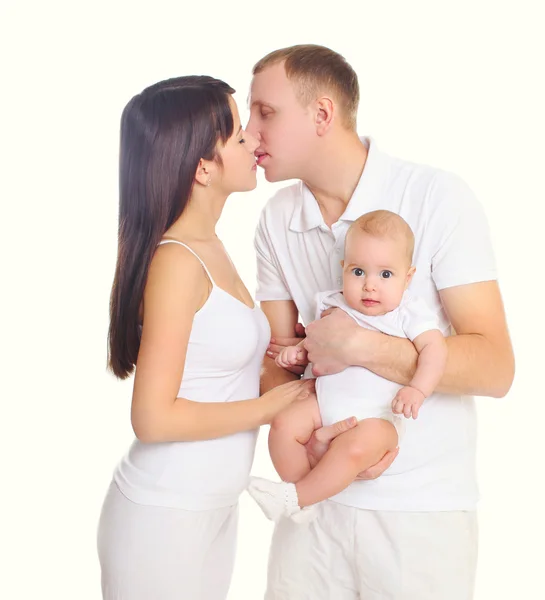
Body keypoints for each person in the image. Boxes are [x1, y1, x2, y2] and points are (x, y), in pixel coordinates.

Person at [246, 44, 515, 599]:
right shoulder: (275, 220)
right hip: (311, 509)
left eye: (264, 113)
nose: (249, 133)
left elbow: (496, 366)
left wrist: (363, 347)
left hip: (418, 516)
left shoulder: (436, 197)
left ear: (322, 115)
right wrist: (312, 443)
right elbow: (276, 358)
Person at [96, 75, 315, 600]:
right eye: (239, 136)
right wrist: (268, 408)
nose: (255, 142)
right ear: (202, 168)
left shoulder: (210, 245)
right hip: (164, 514)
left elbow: (224, 374)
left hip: (212, 504)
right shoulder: (177, 261)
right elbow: (152, 418)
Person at [248, 210, 447, 521]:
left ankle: (294, 498)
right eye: (358, 272)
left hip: (377, 419)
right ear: (343, 269)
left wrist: (418, 389)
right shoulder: (334, 303)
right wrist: (299, 352)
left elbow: (435, 349)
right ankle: (304, 498)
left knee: (354, 449)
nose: (369, 286)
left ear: (407, 277)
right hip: (322, 406)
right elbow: (318, 341)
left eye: (385, 275)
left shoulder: (408, 313)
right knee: (284, 425)